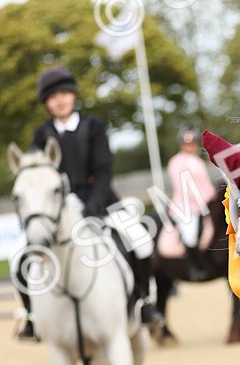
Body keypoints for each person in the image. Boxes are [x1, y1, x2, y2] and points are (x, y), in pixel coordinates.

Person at [17, 67, 162, 339]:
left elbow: (104, 170)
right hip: (59, 208)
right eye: (52, 97)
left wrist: (93, 204)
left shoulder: (94, 126)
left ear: (73, 95)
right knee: (24, 258)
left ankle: (143, 301)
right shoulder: (41, 134)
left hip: (100, 201)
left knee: (141, 240)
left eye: (64, 94)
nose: (59, 100)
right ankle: (31, 317)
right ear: (46, 103)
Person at [165, 128, 218, 281]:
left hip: (205, 204)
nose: (189, 146)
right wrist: (202, 199)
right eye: (186, 143)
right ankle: (194, 267)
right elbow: (182, 186)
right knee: (190, 234)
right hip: (185, 207)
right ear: (181, 144)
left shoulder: (198, 162)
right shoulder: (175, 162)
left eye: (192, 143)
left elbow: (206, 183)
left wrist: (211, 196)